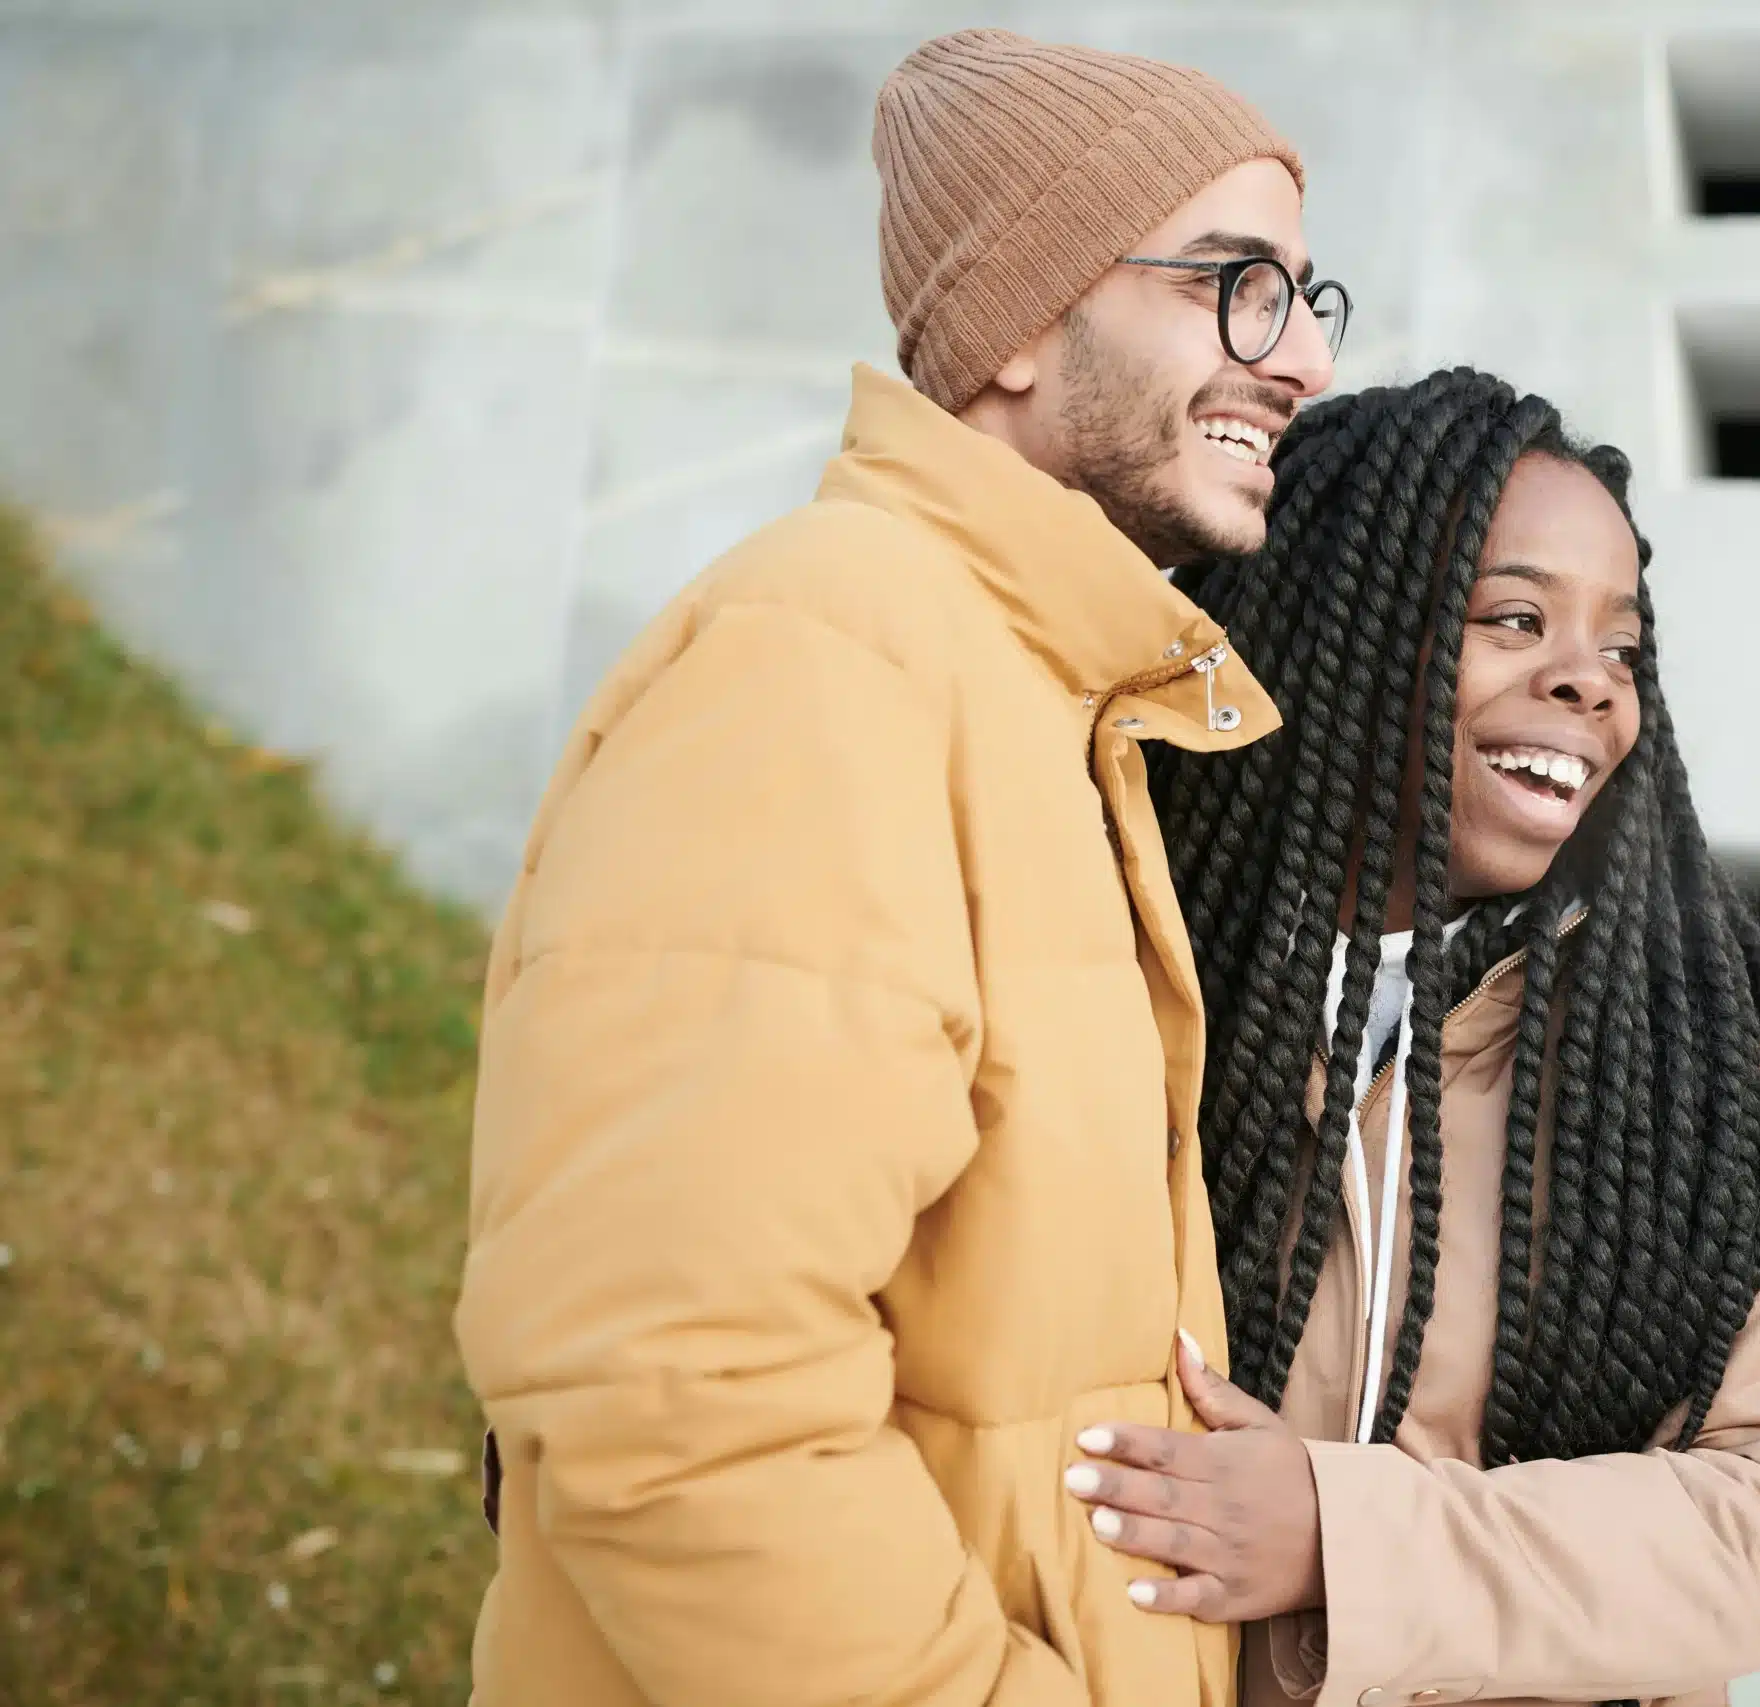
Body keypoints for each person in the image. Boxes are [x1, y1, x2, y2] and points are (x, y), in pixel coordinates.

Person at [452, 29, 1342, 1707]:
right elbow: (671, 1383)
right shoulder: (826, 659)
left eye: (1307, 297)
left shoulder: (1045, 702)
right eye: (1234, 284)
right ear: (1017, 322)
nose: (1295, 358)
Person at [1063, 370, 1760, 1707]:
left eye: (1622, 647)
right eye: (1514, 616)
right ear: (1347, 631)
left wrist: (1347, 1534)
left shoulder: (1698, 1050)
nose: (1588, 684)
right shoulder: (1122, 970)